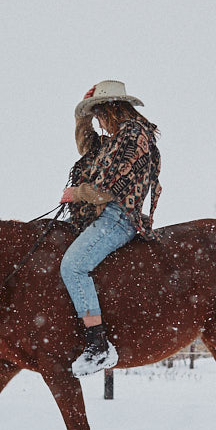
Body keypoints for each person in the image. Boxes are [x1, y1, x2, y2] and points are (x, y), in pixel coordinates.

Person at [59, 80, 162, 377]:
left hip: (118, 218)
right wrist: (82, 117)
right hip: (103, 216)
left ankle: (98, 345)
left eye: (99, 115)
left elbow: (107, 189)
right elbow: (88, 147)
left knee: (74, 266)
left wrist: (76, 194)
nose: (100, 124)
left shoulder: (133, 135)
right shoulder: (116, 140)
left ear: (112, 110)